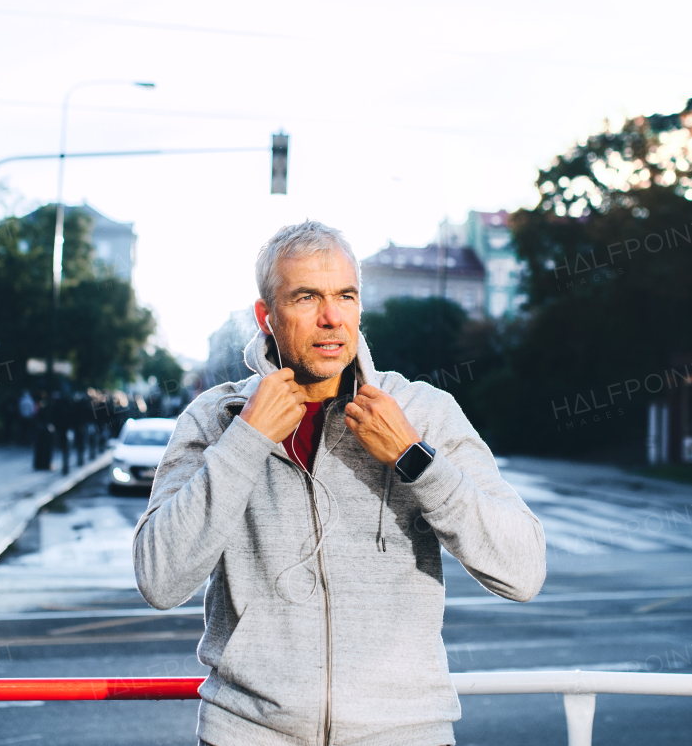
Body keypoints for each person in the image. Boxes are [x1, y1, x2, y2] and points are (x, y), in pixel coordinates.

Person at [134, 221, 546, 746]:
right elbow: (159, 578)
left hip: (404, 734)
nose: (332, 318)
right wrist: (246, 440)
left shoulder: (421, 412)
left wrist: (414, 459)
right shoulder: (216, 418)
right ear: (267, 317)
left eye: (345, 296)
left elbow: (524, 570)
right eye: (307, 297)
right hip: (248, 735)